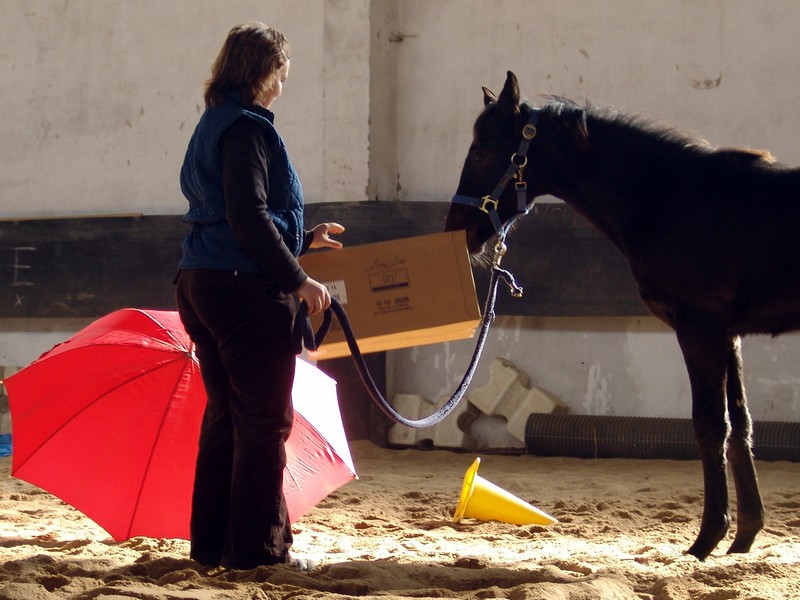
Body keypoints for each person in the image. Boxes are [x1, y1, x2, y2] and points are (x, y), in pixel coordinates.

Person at [175, 22, 344, 571]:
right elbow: (247, 217)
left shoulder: (213, 122)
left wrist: (303, 238)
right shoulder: (247, 129)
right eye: (282, 73)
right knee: (265, 422)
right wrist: (298, 279)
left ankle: (211, 546)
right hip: (242, 289)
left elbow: (232, 215)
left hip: (202, 281)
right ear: (265, 72)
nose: (283, 84)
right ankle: (257, 552)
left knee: (227, 415)